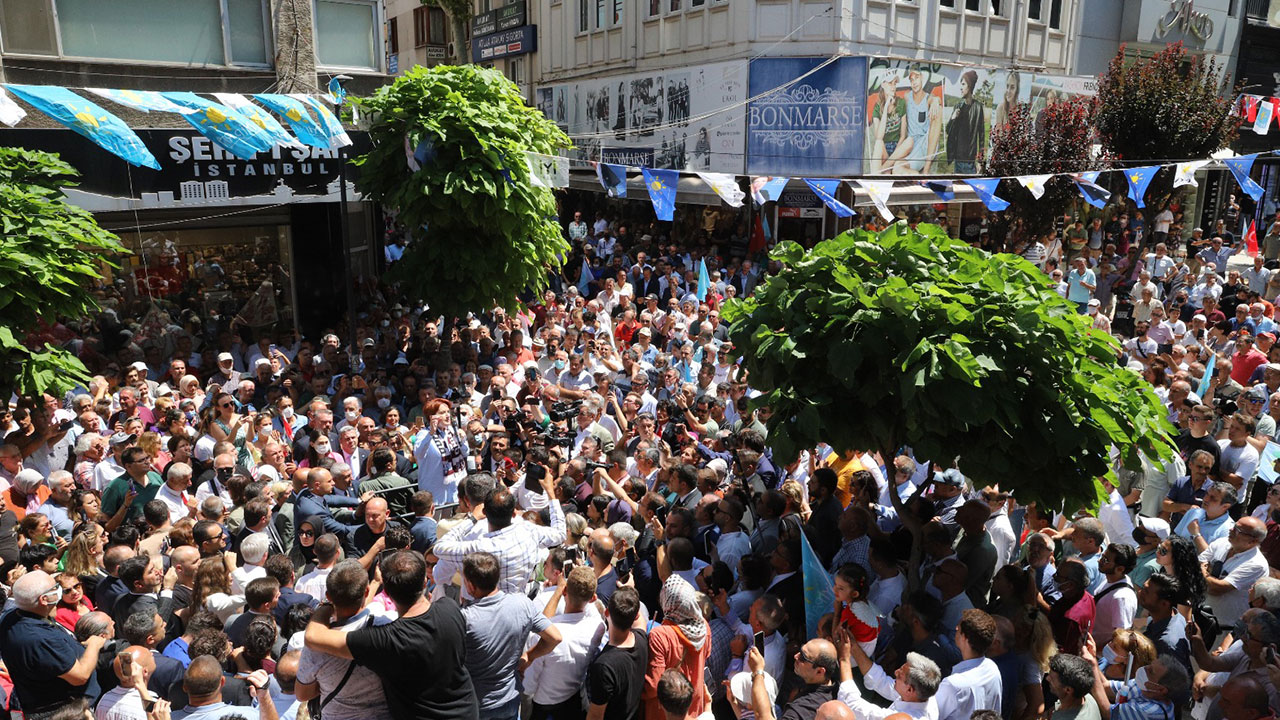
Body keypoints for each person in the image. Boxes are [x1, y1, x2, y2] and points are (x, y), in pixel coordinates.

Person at [303, 550, 478, 720]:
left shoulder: (386, 640)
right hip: (468, 711)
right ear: (424, 582)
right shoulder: (450, 608)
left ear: (386, 589)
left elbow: (313, 637)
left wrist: (327, 604)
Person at [0, 570, 108, 717]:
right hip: (65, 712)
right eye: (55, 587)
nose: (59, 589)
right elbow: (80, 676)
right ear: (44, 599)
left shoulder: (11, 617)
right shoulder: (40, 639)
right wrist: (94, 644)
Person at [295, 560, 392, 720]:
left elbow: (302, 694)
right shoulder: (388, 626)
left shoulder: (317, 645)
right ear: (366, 592)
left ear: (328, 596)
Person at [587, 586, 649, 720]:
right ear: (636, 614)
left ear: (607, 612)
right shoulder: (641, 639)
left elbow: (595, 716)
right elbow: (640, 621)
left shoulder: (603, 666)